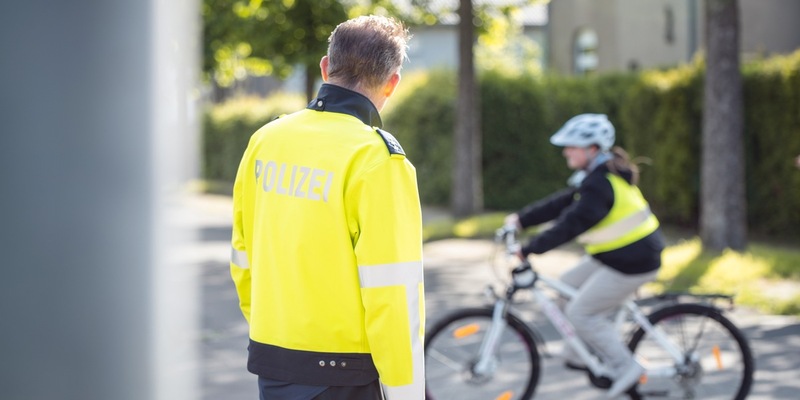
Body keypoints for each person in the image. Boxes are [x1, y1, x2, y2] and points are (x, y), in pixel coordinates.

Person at [229, 15, 424, 400]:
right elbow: (393, 293)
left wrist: (273, 331)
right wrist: (405, 392)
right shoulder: (377, 159)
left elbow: (242, 256)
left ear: (325, 66)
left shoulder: (265, 141)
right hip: (344, 374)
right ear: (392, 82)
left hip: (273, 359)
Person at [505, 114, 664, 398]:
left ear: (592, 149)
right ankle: (581, 354)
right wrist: (521, 219)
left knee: (581, 312)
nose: (566, 151)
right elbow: (560, 203)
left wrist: (529, 249)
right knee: (566, 287)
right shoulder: (594, 176)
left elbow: (571, 223)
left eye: (572, 146)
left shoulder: (600, 184)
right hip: (615, 256)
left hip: (634, 262)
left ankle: (626, 367)